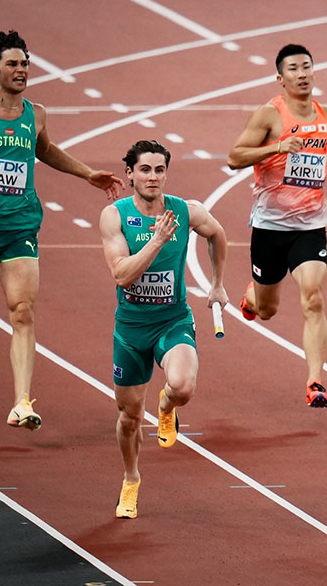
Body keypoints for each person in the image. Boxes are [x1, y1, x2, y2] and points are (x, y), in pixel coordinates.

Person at [0, 30, 123, 430]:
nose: (22, 69)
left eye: (25, 63)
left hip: (21, 226)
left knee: (22, 312)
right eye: (12, 64)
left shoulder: (36, 113)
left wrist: (87, 174)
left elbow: (44, 149)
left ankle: (22, 402)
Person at [99, 140, 228, 519]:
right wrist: (157, 240)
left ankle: (167, 405)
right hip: (131, 330)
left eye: (159, 170)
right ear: (130, 174)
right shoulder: (115, 216)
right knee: (129, 417)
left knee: (184, 387)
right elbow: (121, 275)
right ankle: (131, 479)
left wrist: (217, 283)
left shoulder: (185, 211)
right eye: (144, 170)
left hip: (172, 320)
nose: (152, 177)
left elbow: (217, 235)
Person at [227, 43, 327, 408]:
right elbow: (235, 156)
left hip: (311, 224)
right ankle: (253, 297)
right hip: (269, 226)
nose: (302, 74)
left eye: (307, 67)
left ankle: (315, 381)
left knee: (313, 298)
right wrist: (278, 147)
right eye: (294, 69)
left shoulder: (326, 114)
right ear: (280, 78)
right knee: (267, 310)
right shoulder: (269, 115)